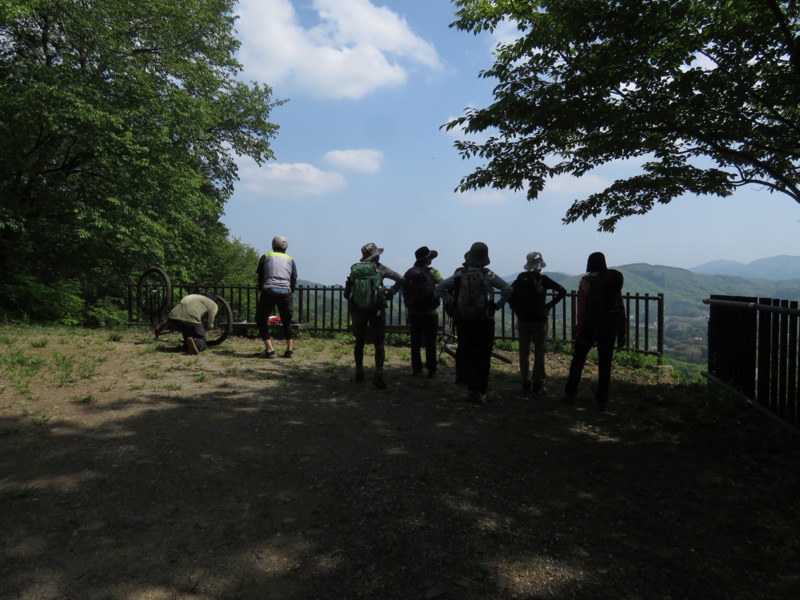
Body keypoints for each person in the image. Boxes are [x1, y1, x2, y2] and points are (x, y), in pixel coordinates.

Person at [436, 242, 512, 404]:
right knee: (483, 356)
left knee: (468, 354)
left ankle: (471, 390)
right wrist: (496, 306)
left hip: (465, 320)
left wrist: (452, 301)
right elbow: (507, 290)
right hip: (485, 320)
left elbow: (440, 287)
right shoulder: (488, 274)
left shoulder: (460, 274)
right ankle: (481, 391)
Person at [563, 252, 626, 411]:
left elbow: (583, 308)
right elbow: (619, 306)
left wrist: (580, 327)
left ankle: (570, 393)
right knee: (605, 364)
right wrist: (621, 331)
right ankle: (601, 400)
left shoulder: (586, 281)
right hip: (609, 326)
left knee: (578, 360)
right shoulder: (613, 282)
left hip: (591, 325)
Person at [345, 242, 404, 389]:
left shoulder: (357, 270)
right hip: (376, 308)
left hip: (358, 309)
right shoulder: (381, 269)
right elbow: (401, 279)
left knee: (359, 340)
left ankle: (359, 373)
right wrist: (392, 292)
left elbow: (347, 292)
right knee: (379, 342)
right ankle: (378, 375)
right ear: (376, 256)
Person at [508, 252, 567, 394]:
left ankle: (525, 381)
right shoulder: (543, 279)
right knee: (539, 352)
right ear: (540, 266)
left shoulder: (521, 278)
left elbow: (509, 293)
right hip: (540, 321)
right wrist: (549, 305)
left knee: (524, 352)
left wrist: (516, 310)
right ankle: (538, 383)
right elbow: (562, 291)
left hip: (523, 320)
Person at [402, 246, 443, 379]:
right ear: (428, 259)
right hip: (430, 313)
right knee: (431, 343)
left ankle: (416, 369)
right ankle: (432, 370)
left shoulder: (410, 272)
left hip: (413, 312)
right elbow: (442, 284)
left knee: (415, 342)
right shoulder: (432, 272)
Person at [255, 235, 298, 359]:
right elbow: (293, 278)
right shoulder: (290, 259)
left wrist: (260, 288)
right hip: (285, 292)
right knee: (287, 321)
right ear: (286, 247)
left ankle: (270, 350)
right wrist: (291, 291)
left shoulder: (266, 256)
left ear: (273, 245)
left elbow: (261, 275)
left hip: (268, 290)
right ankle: (289, 350)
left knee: (261, 319)